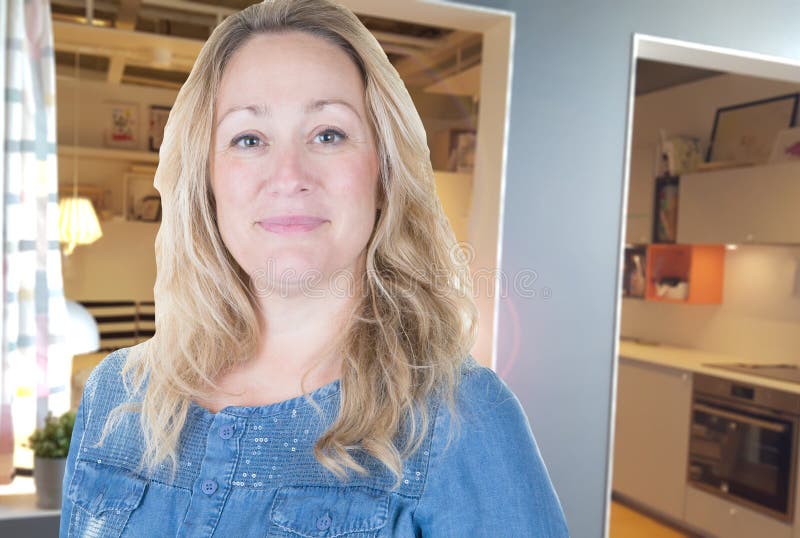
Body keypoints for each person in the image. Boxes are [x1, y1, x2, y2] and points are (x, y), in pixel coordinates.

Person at [59, 1, 569, 536]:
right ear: (206, 181)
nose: (289, 176)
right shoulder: (115, 397)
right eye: (248, 139)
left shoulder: (461, 418)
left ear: (384, 173)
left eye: (328, 134)